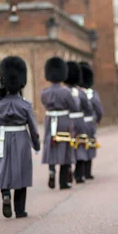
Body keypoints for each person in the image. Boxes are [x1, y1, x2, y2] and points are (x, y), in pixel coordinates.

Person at [0, 56, 40, 219]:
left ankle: (5, 195)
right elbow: (33, 128)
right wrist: (36, 144)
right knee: (21, 172)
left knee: (3, 169)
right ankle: (20, 210)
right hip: (21, 138)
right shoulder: (25, 105)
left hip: (3, 138)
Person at [41, 57, 77, 190]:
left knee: (51, 145)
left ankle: (51, 170)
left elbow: (44, 104)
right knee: (64, 148)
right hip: (63, 121)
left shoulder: (44, 92)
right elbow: (74, 107)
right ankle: (63, 182)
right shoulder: (65, 92)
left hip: (50, 120)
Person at [65, 61, 92, 184]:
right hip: (80, 120)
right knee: (80, 145)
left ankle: (68, 170)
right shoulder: (81, 93)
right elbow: (88, 108)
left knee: (68, 146)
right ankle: (79, 174)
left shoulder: (63, 92)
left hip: (67, 120)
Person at [79, 62, 104, 179]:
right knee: (90, 145)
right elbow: (98, 109)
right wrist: (98, 119)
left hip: (77, 123)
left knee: (79, 145)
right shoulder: (91, 93)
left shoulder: (75, 93)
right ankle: (87, 172)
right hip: (89, 122)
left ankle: (79, 172)